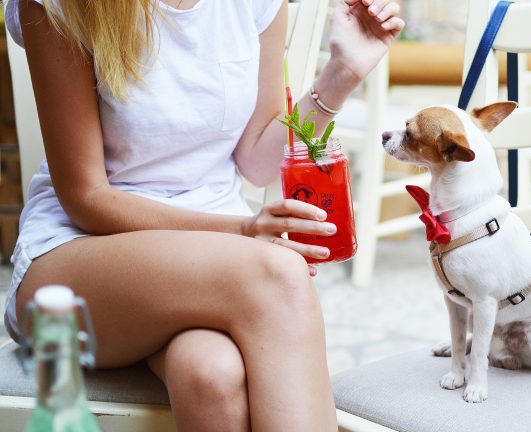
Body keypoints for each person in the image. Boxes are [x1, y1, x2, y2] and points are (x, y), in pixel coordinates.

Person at [4, 0, 403, 430]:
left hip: (214, 271)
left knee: (211, 375)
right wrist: (242, 230)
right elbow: (87, 199)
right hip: (81, 262)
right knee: (279, 274)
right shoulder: (62, 5)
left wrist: (342, 73)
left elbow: (256, 159)